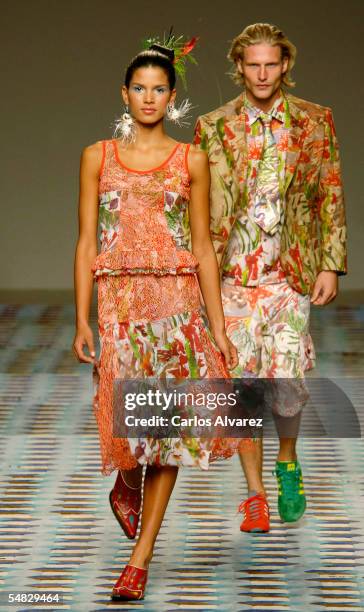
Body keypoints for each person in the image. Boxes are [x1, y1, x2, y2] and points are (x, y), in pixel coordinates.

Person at [72, 38, 240, 601]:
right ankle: (125, 476)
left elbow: (204, 245)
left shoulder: (191, 158)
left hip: (177, 306)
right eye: (139, 88)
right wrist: (81, 319)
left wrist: (217, 325)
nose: (149, 97)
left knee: (167, 433)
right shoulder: (97, 155)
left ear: (172, 97)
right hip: (119, 303)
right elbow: (86, 240)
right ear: (125, 94)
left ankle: (139, 559)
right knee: (128, 422)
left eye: (159, 89)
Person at [194, 23, 347, 532]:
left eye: (271, 64)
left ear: (286, 66)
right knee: (241, 385)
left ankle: (287, 460)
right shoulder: (213, 126)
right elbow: (198, 207)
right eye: (252, 64)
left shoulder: (316, 122)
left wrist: (330, 262)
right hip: (233, 273)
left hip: (289, 271)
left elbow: (330, 194)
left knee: (286, 379)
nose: (262, 73)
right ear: (238, 67)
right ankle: (255, 495)